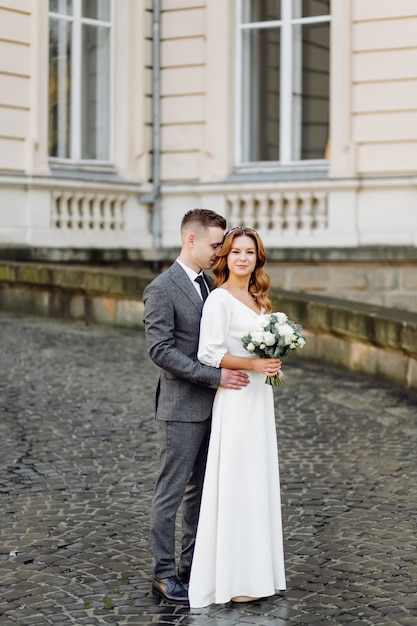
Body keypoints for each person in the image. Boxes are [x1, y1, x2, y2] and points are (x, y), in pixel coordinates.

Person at [143, 210, 249, 604]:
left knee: (201, 492)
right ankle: (164, 574)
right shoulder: (162, 288)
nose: (220, 251)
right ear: (191, 240)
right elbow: (160, 350)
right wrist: (214, 377)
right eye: (215, 244)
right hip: (181, 407)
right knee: (170, 492)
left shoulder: (208, 284)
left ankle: (191, 564)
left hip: (216, 407)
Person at [188, 226, 286, 608]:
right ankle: (231, 577)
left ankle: (259, 573)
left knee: (257, 480)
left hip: (260, 400)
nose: (243, 258)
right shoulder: (220, 300)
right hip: (237, 396)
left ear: (257, 258)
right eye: (236, 252)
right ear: (225, 258)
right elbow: (209, 353)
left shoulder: (261, 301)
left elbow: (264, 351)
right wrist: (253, 363)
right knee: (236, 480)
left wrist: (274, 366)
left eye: (249, 252)